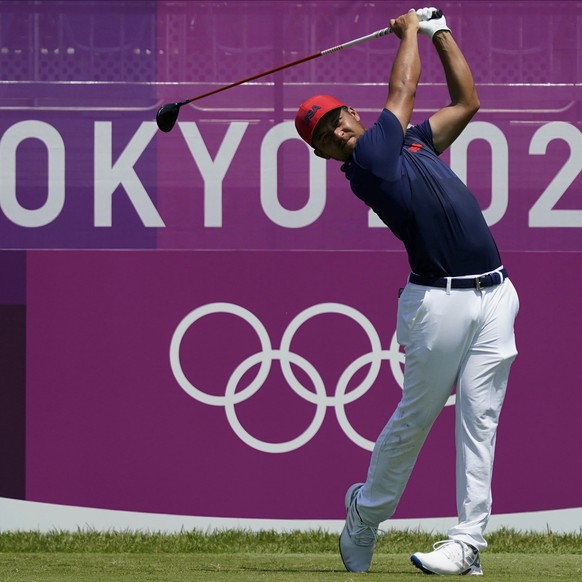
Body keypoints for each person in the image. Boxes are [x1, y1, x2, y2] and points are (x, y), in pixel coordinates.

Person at [294, 7, 519, 577]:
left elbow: (467, 102)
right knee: (417, 417)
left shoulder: (413, 143)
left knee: (480, 417)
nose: (336, 133)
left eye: (335, 122)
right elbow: (405, 86)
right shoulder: (368, 163)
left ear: (349, 111)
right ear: (325, 155)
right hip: (435, 303)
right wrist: (410, 31)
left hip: (496, 293)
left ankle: (466, 543)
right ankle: (366, 513)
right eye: (325, 138)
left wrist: (441, 31)